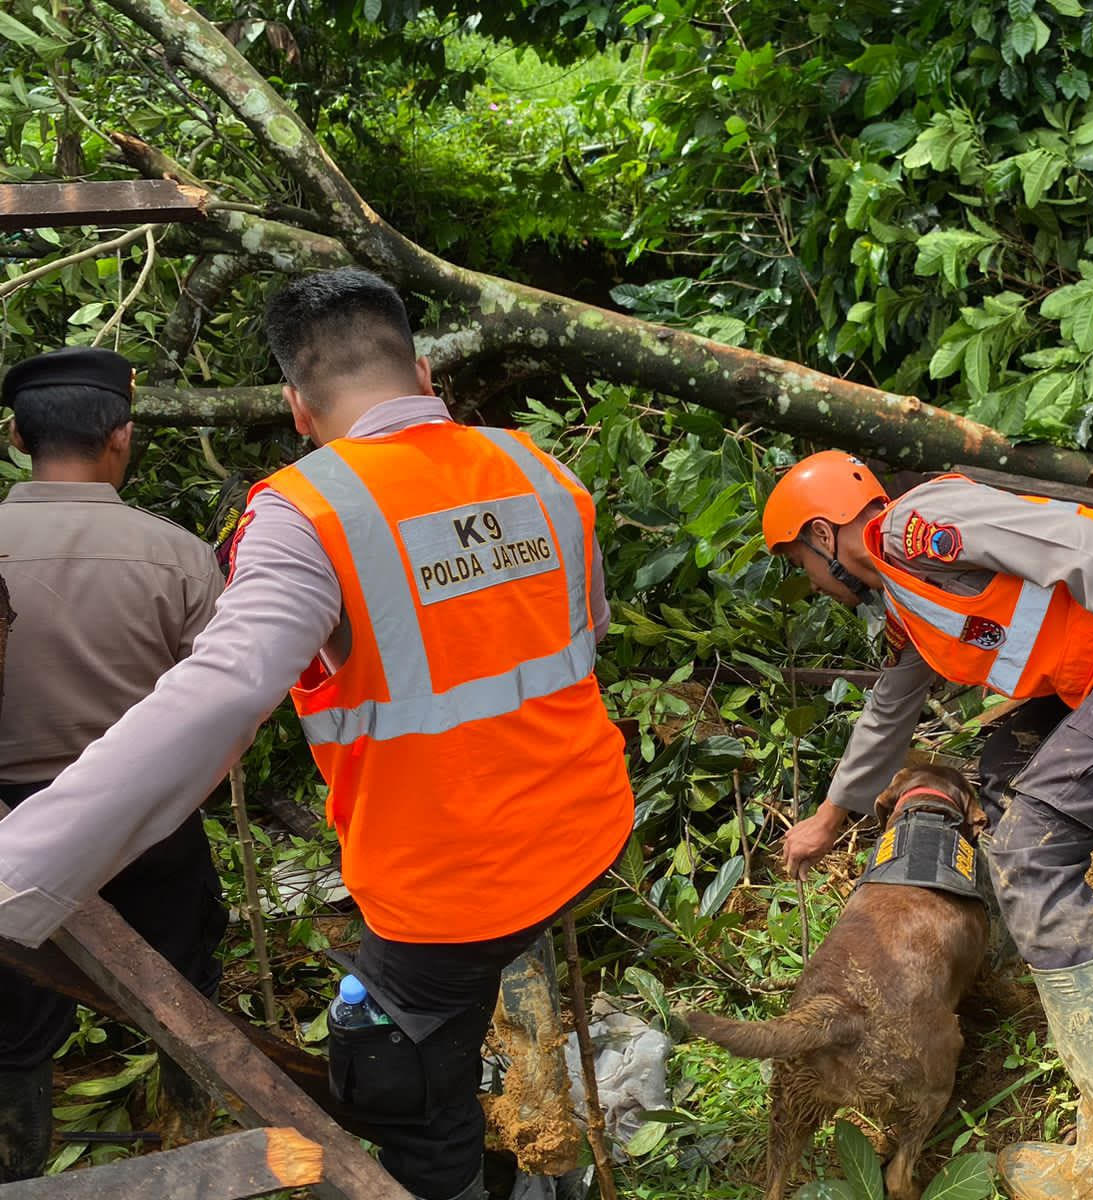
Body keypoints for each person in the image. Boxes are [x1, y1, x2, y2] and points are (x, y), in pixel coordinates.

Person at [0, 269, 635, 1200]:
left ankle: (463, 1176)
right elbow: (581, 634)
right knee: (458, 1017)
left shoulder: (310, 511)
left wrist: (21, 866)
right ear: (424, 372)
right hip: (585, 829)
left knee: (397, 1080)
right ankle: (535, 1164)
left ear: (297, 406)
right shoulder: (541, 467)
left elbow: (220, 690)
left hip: (449, 886)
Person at [764, 451, 1093, 1200]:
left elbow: (1084, 549)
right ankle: (1019, 969)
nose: (807, 579)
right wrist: (829, 816)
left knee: (1033, 854)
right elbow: (890, 709)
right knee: (1003, 768)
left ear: (822, 533)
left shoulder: (917, 530)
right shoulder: (908, 602)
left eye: (798, 561)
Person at [0, 347, 226, 1181]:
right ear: (121, 438)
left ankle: (17, 1167)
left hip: (10, 830)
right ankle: (192, 1157)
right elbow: (218, 704)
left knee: (12, 1020)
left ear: (18, 434)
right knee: (179, 994)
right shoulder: (176, 556)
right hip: (146, 825)